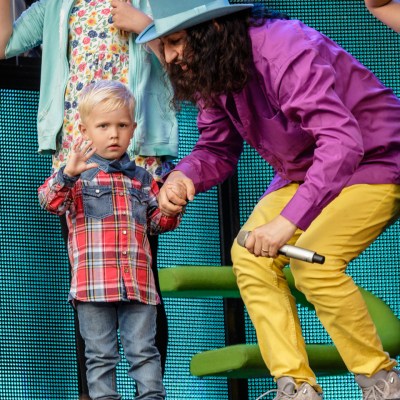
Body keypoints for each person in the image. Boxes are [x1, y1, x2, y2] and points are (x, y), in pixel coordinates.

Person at [135, 0, 400, 399]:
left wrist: (287, 223)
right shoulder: (214, 68)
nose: (170, 57)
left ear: (213, 30)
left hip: (375, 159)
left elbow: (342, 143)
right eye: (164, 46)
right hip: (307, 170)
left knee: (315, 264)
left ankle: (382, 382)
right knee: (248, 256)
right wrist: (183, 175)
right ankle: (297, 389)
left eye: (175, 42)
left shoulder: (284, 48)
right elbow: (216, 147)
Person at [0, 1, 177, 396]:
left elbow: (186, 65)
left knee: (143, 282)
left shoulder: (145, 3)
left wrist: (144, 25)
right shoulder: (57, 5)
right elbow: (4, 43)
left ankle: (151, 391)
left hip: (138, 158)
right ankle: (93, 392)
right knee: (88, 285)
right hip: (78, 163)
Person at [38, 80, 181, 400]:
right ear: (85, 130)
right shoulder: (77, 176)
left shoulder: (143, 179)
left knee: (145, 352)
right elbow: (49, 201)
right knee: (100, 357)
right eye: (103, 126)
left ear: (133, 130)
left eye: (121, 126)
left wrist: (172, 208)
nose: (113, 134)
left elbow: (156, 224)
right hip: (93, 287)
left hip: (138, 286)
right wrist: (67, 174)